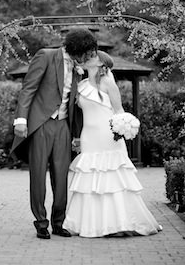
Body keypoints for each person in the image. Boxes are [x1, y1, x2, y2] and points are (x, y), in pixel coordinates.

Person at [63, 50, 162, 237]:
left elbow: (119, 111)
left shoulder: (108, 83)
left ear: (102, 64)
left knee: (111, 177)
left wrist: (123, 128)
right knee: (90, 177)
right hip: (88, 136)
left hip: (108, 136)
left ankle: (118, 224)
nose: (88, 58)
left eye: (93, 57)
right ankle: (90, 224)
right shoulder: (82, 85)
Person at [11, 28, 98, 240]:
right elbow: (28, 89)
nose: (88, 57)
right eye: (86, 52)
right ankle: (41, 223)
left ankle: (59, 222)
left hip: (63, 127)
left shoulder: (79, 69)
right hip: (41, 123)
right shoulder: (46, 56)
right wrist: (21, 120)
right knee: (38, 175)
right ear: (78, 49)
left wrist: (77, 135)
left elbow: (76, 107)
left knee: (62, 177)